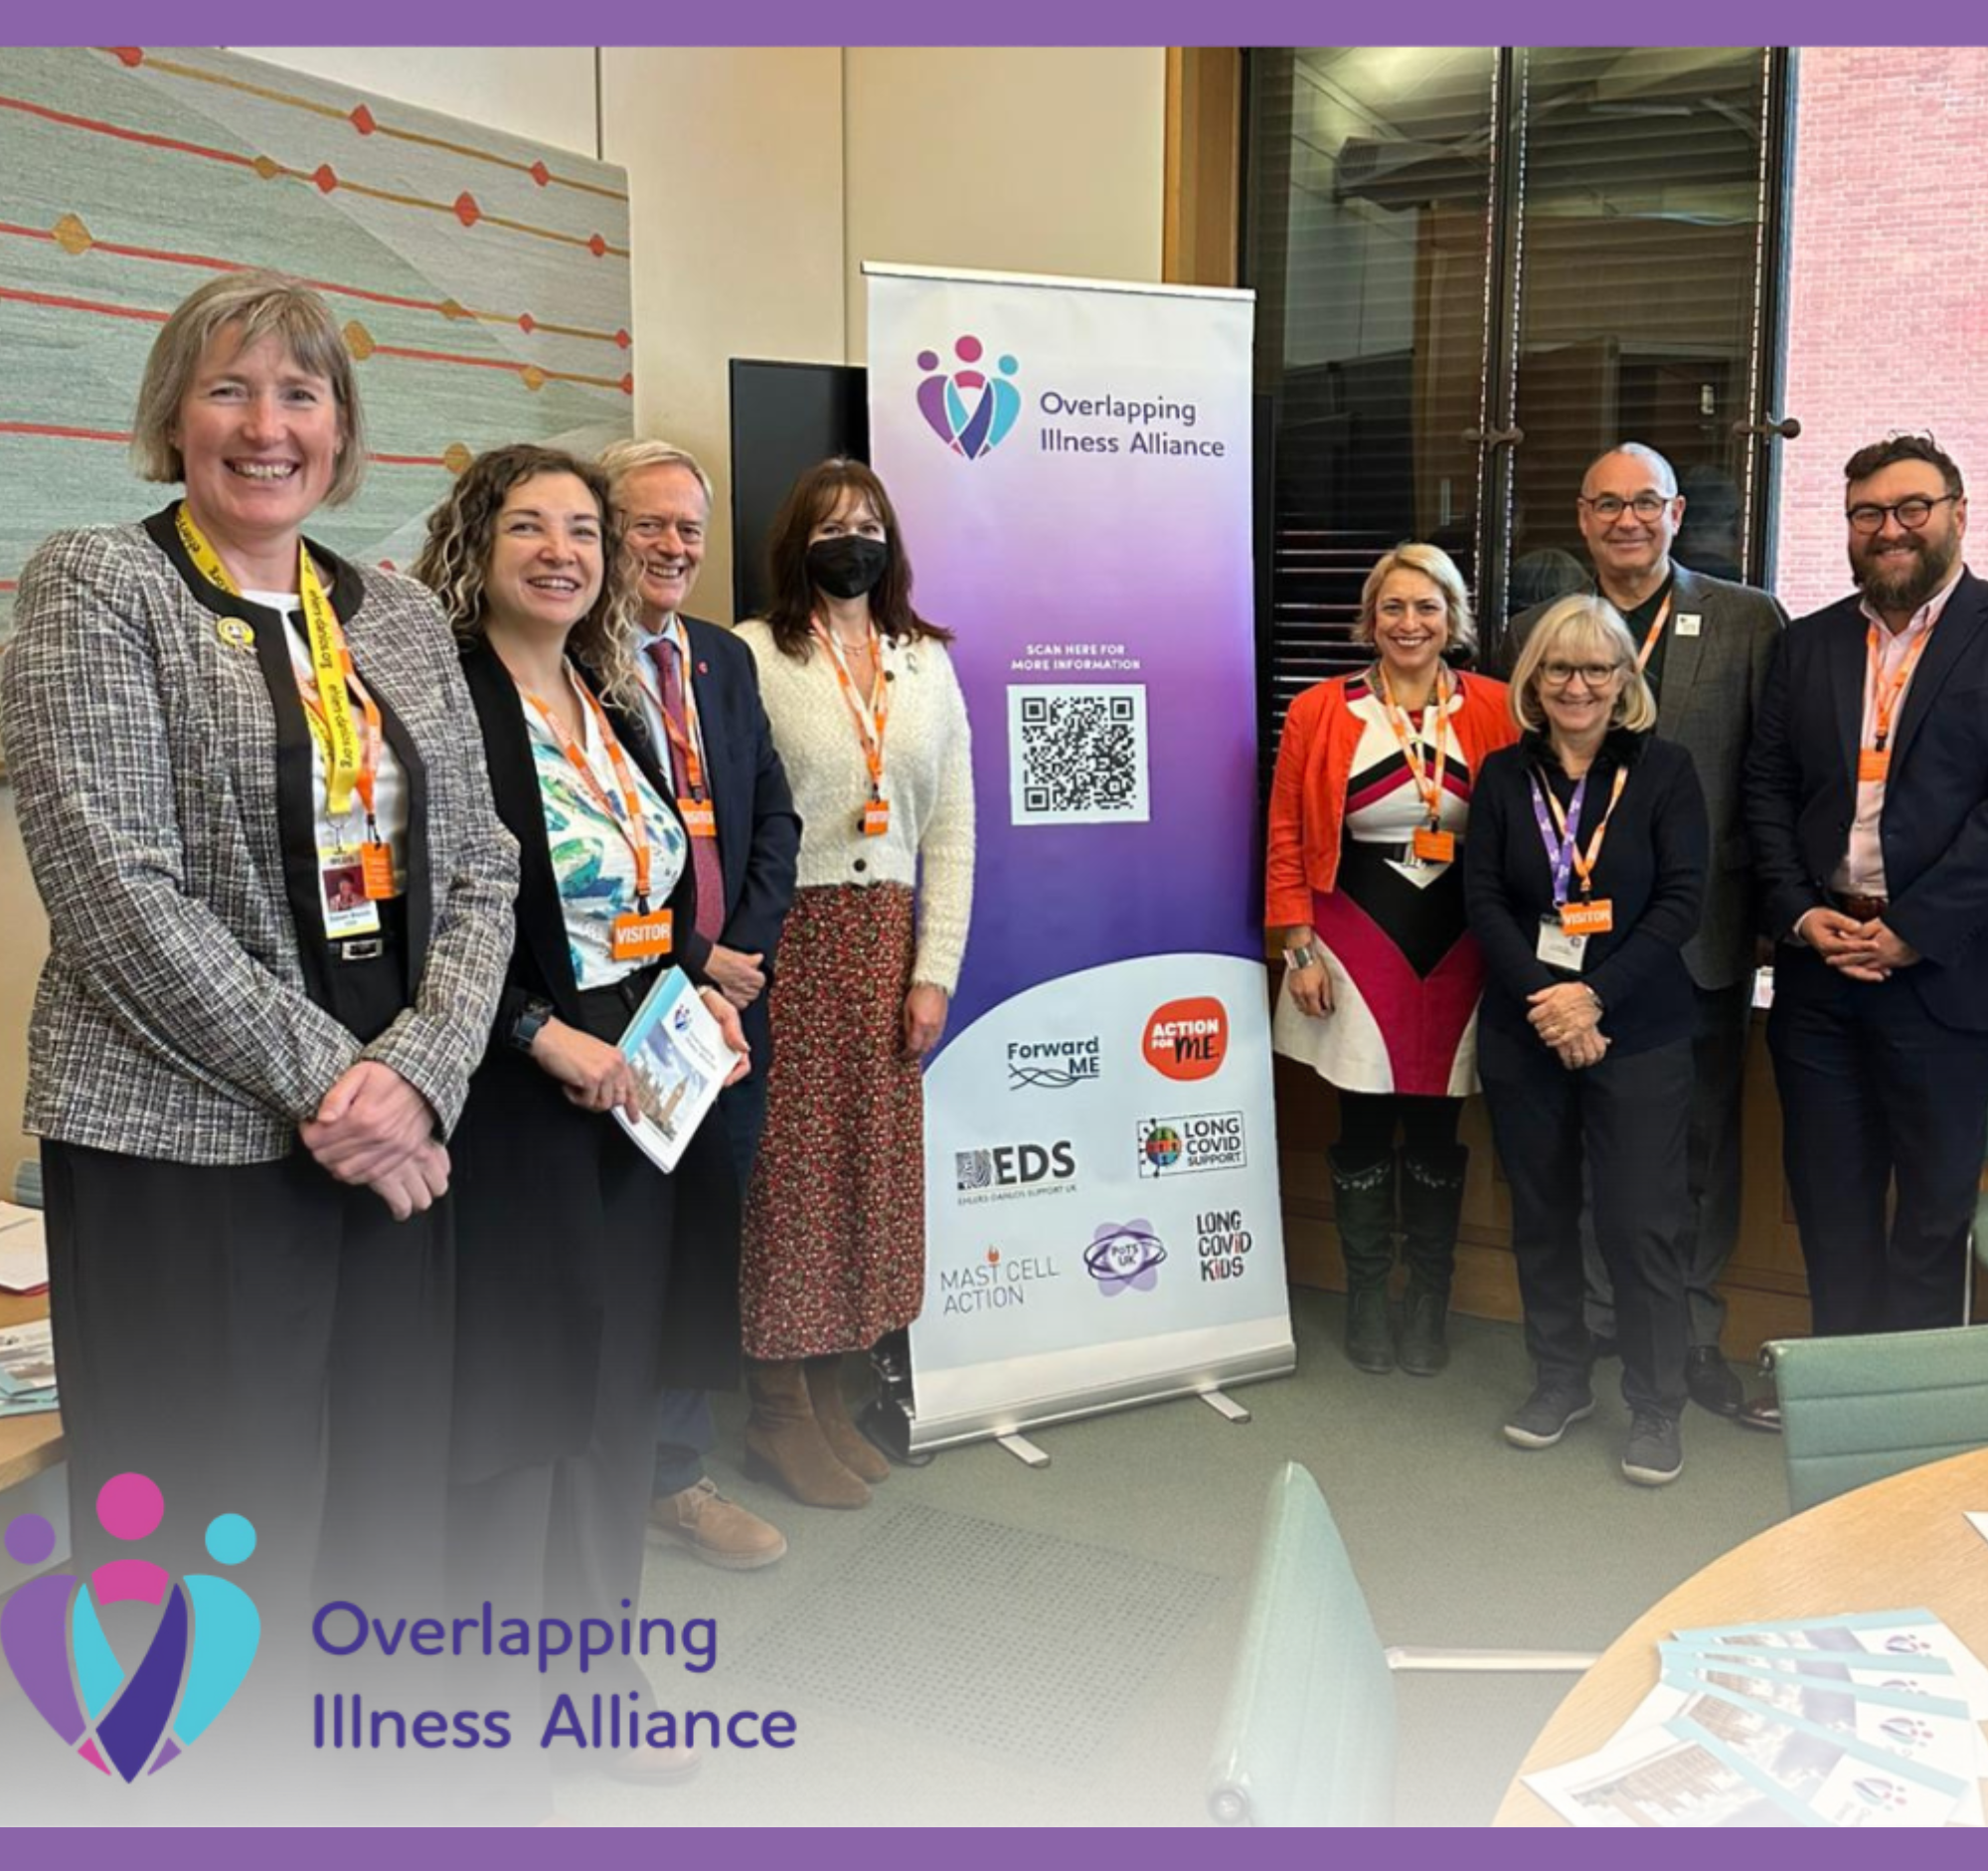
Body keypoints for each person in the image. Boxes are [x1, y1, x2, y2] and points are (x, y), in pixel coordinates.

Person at [0, 270, 518, 1814]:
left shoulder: (405, 616)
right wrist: (336, 1081)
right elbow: (110, 882)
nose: (267, 425)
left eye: (302, 395)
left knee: (376, 1500)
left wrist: (416, 1078)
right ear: (172, 417)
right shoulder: (95, 583)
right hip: (180, 1146)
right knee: (199, 1528)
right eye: (230, 390)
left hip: (393, 1148)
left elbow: (483, 863)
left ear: (345, 435)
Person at [413, 445, 748, 1796]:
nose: (563, 550)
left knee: (613, 1395)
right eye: (529, 526)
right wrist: (537, 1034)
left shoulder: (604, 696)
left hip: (639, 1086)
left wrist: (696, 999)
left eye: (583, 531)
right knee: (523, 1397)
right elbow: (425, 911)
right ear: (476, 542)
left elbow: (654, 887)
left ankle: (600, 1670)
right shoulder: (444, 699)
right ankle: (493, 1707)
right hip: (521, 1094)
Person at [1499, 444, 1784, 1421]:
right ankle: (1590, 1337)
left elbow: (1766, 776)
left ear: (1673, 515)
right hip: (1562, 953)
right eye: (1605, 505)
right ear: (1580, 518)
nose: (1626, 521)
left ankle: (1690, 1339)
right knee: (1573, 1154)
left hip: (1693, 941)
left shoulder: (1747, 620)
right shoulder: (1530, 631)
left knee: (1695, 1157)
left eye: (1644, 504)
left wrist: (1766, 914)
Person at [734, 458, 974, 1508]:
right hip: (786, 939)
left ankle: (833, 1390)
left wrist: (934, 972)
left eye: (868, 520)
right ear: (796, 541)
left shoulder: (926, 662)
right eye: (830, 522)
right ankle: (774, 1408)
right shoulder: (749, 655)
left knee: (866, 1177)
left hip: (885, 944)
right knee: (786, 1183)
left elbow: (954, 826)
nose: (851, 537)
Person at [599, 437, 800, 1571]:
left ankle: (671, 1469)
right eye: (647, 523)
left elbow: (774, 817)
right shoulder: (568, 665)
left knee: (697, 1236)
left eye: (689, 528)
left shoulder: (720, 658)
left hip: (728, 1008)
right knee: (619, 1238)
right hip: (624, 1002)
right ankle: (606, 1465)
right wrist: (690, 953)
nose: (673, 547)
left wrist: (739, 949)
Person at [1745, 433, 1988, 1345]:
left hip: (1946, 980)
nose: (1889, 529)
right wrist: (1800, 914)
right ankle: (1837, 1400)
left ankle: (1911, 1431)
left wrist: (1915, 928)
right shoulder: (1807, 645)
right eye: (1867, 514)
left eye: (1910, 509)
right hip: (1821, 973)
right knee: (1830, 1208)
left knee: (1931, 1219)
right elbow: (1765, 791)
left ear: (1957, 514)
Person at [1466, 595, 1709, 1486]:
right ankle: (1560, 1380)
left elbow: (1683, 900)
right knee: (1541, 1215)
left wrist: (1593, 999)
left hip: (1637, 1032)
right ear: (1534, 682)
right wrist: (1550, 1004)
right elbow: (1484, 902)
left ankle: (1655, 1405)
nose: (1577, 685)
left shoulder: (1667, 772)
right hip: (1525, 1030)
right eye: (1559, 669)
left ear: (1623, 682)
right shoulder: (1499, 777)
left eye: (1596, 669)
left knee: (1641, 1224)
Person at [1266, 544, 1518, 1376]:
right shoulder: (1319, 710)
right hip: (1348, 937)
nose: (1410, 624)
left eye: (1428, 607)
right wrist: (1295, 946)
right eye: (1393, 608)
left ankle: (1427, 1303)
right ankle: (1369, 1296)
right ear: (1369, 620)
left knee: (1441, 1125)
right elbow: (1288, 838)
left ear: (1455, 619)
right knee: (1365, 1117)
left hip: (1462, 940)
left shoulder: (1496, 705)